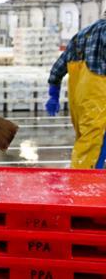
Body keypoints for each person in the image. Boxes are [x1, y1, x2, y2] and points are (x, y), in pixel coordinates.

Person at [46, 12, 106, 169]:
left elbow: (59, 66)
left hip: (79, 98)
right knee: (93, 145)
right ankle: (84, 185)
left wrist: (54, 93)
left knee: (86, 140)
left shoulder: (81, 34)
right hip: (98, 100)